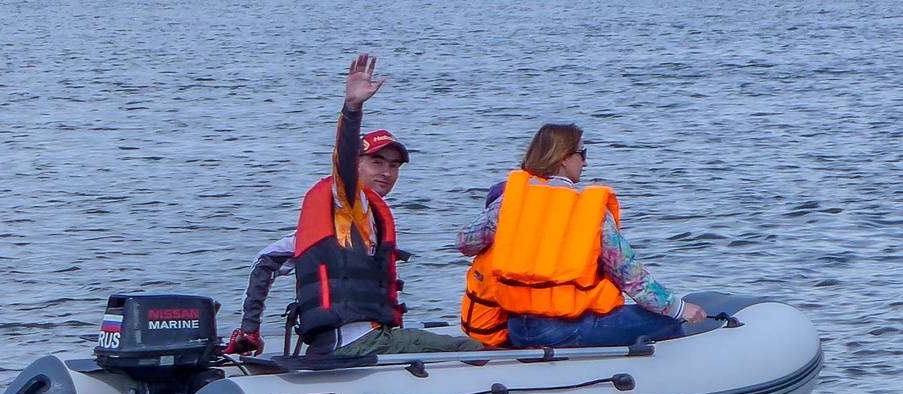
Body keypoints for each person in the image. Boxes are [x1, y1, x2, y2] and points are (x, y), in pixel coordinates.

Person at [224, 54, 481, 357]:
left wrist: (250, 330)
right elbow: (344, 158)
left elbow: (265, 261)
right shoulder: (349, 200)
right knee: (471, 349)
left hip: (335, 345)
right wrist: (352, 108)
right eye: (377, 162)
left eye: (394, 165)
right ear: (357, 165)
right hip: (360, 343)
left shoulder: (334, 224)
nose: (387, 172)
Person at [456, 123, 706, 348]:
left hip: (519, 329)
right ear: (564, 158)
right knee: (667, 322)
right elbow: (630, 277)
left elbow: (465, 243)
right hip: (563, 329)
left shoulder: (508, 205)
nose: (585, 163)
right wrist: (678, 308)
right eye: (582, 153)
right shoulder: (590, 212)